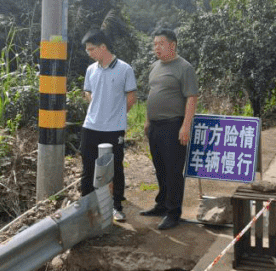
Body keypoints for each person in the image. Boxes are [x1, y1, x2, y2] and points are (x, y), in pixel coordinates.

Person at [142, 28, 198, 231]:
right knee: (160, 167)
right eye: (154, 43)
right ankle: (161, 204)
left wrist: (185, 126)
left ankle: (173, 212)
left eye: (160, 43)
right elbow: (152, 94)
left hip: (173, 125)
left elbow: (191, 97)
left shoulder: (184, 68)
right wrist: (148, 120)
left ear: (172, 45)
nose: (156, 47)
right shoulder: (154, 67)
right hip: (155, 126)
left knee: (174, 170)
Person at [79, 29, 137, 223]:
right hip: (91, 126)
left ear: (103, 47)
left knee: (115, 167)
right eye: (87, 49)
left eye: (91, 49)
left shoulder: (124, 69)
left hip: (114, 128)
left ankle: (116, 206)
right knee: (88, 166)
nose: (89, 53)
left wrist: (117, 115)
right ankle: (86, 207)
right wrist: (94, 102)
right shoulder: (91, 70)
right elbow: (87, 91)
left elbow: (131, 98)